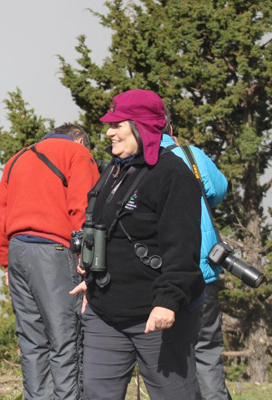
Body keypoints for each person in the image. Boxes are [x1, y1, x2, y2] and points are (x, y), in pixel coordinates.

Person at [70, 89, 205, 399]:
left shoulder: (173, 175)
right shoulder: (117, 170)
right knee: (96, 394)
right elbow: (105, 230)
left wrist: (167, 301)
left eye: (118, 124)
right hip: (105, 313)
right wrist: (90, 277)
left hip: (156, 315)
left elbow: (182, 247)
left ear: (142, 126)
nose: (108, 132)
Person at [0, 124, 99, 400]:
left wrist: (5, 262)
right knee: (65, 340)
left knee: (31, 342)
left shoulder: (16, 159)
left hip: (18, 253)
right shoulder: (77, 153)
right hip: (55, 253)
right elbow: (86, 211)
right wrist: (90, 265)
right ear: (80, 140)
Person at [160, 121, 231, 400]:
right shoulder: (190, 155)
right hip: (203, 267)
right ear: (171, 126)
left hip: (160, 273)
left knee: (167, 352)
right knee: (207, 348)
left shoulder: (135, 160)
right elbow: (219, 189)